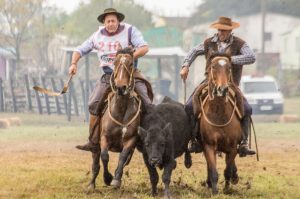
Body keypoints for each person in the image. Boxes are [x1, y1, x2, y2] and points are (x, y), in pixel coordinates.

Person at [69, 8, 152, 152]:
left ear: (118, 21)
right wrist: (74, 63)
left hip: (130, 74)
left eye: (113, 21)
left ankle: (148, 139)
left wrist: (128, 58)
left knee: (148, 103)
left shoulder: (130, 31)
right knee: (93, 103)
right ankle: (93, 141)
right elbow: (79, 50)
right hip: (109, 76)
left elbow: (144, 48)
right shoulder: (97, 36)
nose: (110, 24)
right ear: (104, 23)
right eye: (108, 21)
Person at [180, 16, 256, 157]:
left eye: (224, 30)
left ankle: (244, 142)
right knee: (189, 106)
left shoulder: (240, 44)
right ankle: (194, 140)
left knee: (247, 108)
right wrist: (185, 65)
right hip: (209, 81)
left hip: (231, 83)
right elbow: (193, 52)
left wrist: (229, 60)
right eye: (219, 30)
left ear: (230, 30)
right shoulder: (208, 43)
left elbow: (251, 57)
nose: (221, 33)